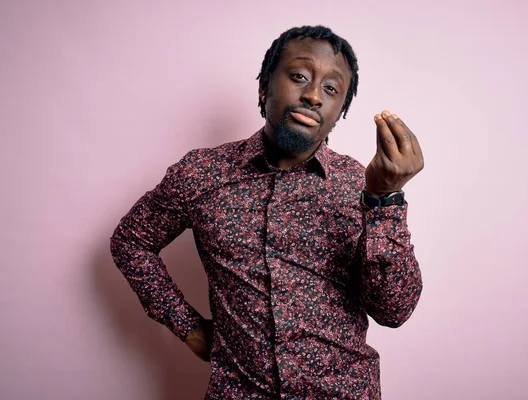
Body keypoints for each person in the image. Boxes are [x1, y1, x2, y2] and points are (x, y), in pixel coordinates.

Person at [110, 25, 424, 399]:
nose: (312, 96)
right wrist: (186, 325)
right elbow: (131, 242)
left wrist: (385, 199)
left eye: (331, 89)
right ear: (263, 87)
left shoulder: (362, 186)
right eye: (299, 77)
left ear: (340, 112)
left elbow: (394, 311)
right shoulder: (201, 174)